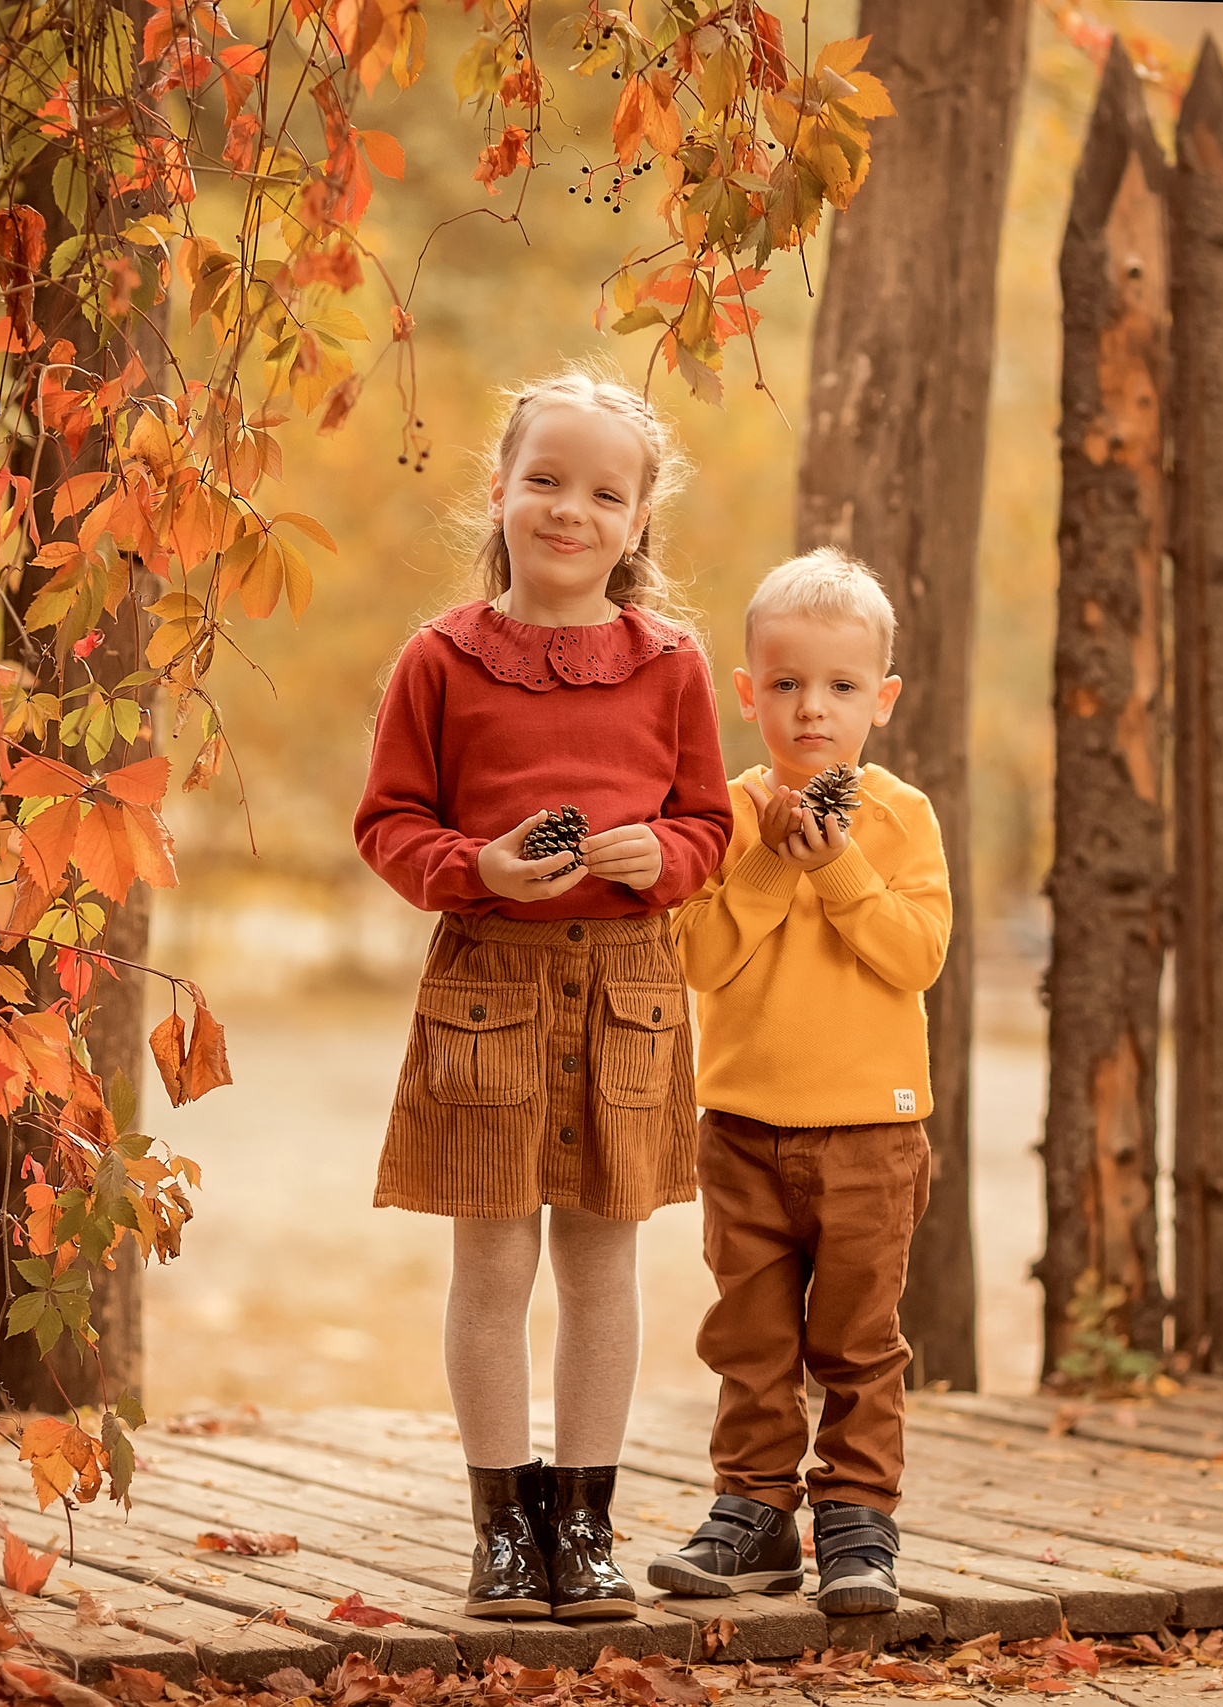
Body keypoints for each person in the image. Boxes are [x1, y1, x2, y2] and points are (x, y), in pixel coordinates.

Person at [354, 365, 732, 1623]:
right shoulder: (441, 660)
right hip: (489, 987)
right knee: (492, 1264)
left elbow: (707, 827)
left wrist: (659, 858)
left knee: (602, 1266)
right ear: (503, 491)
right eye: (547, 482)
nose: (570, 510)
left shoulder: (672, 663)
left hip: (625, 991)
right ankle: (500, 1533)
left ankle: (586, 1527)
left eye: (603, 493)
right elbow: (390, 823)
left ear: (638, 523)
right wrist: (481, 871)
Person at [646, 548, 950, 1617]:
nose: (810, 709)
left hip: (871, 1132)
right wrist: (773, 862)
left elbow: (915, 955)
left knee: (860, 1343)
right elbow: (698, 960)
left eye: (838, 686)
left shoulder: (903, 816)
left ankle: (860, 1522)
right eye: (784, 684)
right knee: (753, 1338)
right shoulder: (722, 818)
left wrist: (838, 865)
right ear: (746, 693)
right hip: (741, 1128)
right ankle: (754, 1513)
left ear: (882, 698)